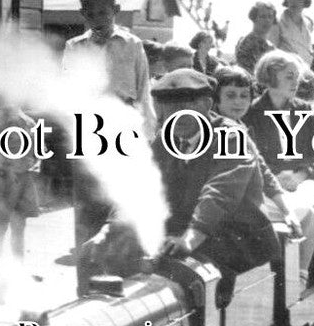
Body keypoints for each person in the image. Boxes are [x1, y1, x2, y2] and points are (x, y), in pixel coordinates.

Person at [84, 69, 300, 299]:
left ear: (207, 103)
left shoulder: (231, 137)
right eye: (168, 109)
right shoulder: (165, 140)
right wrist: (109, 230)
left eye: (184, 107)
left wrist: (192, 236)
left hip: (235, 242)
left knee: (198, 283)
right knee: (117, 256)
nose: (176, 117)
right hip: (184, 236)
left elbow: (219, 192)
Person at [62, 0, 154, 292]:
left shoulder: (132, 45)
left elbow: (143, 93)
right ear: (82, 15)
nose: (98, 19)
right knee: (89, 211)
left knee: (123, 208)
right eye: (90, 14)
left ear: (115, 11)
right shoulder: (74, 49)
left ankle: (123, 284)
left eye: (104, 12)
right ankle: (86, 287)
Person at [240, 52, 314, 282]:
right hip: (267, 183)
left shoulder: (304, 110)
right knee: (303, 212)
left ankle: (301, 273)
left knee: (313, 194)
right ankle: (286, 273)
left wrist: (301, 174)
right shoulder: (251, 113)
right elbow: (251, 155)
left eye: (297, 77)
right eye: (289, 76)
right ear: (270, 77)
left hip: (300, 180)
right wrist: (276, 177)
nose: (295, 82)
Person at [0, 106, 40, 258]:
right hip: (7, 177)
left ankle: (16, 263)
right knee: (4, 221)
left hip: (19, 176)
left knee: (16, 223)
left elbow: (38, 150)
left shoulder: (27, 122)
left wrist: (34, 164)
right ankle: (0, 260)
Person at [267, 0, 314, 64]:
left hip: (306, 69)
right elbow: (271, 53)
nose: (294, 1)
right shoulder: (277, 22)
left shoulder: (308, 23)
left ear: (305, 0)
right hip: (286, 70)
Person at [234, 2, 277, 74]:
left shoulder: (271, 47)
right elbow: (246, 72)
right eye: (262, 16)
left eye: (270, 17)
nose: (267, 20)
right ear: (254, 18)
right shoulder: (247, 43)